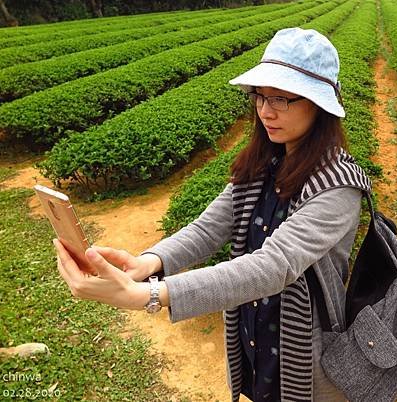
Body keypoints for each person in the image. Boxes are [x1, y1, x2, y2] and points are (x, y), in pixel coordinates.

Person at [54, 27, 372, 402]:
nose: (266, 111)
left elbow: (272, 267)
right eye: (260, 96)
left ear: (317, 106)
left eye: (283, 99)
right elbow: (209, 228)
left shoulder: (338, 186)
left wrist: (151, 295)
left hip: (306, 353)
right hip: (256, 337)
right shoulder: (265, 161)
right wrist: (148, 262)